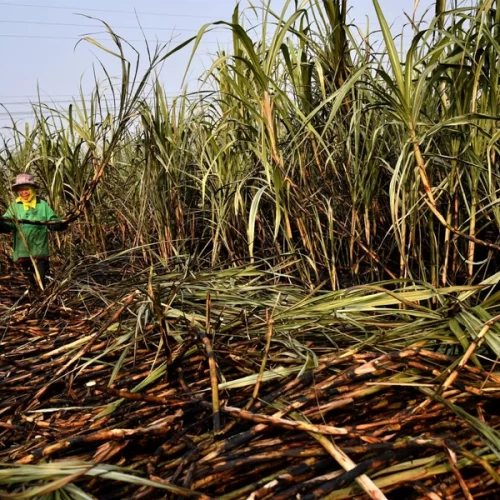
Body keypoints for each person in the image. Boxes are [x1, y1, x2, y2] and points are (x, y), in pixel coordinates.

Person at [0, 173, 68, 292]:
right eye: (21, 190)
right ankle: (34, 302)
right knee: (29, 281)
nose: (24, 192)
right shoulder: (15, 206)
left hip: (40, 250)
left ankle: (43, 299)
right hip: (23, 251)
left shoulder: (42, 205)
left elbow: (52, 222)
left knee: (41, 279)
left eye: (26, 189)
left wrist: (61, 223)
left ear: (32, 189)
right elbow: (8, 224)